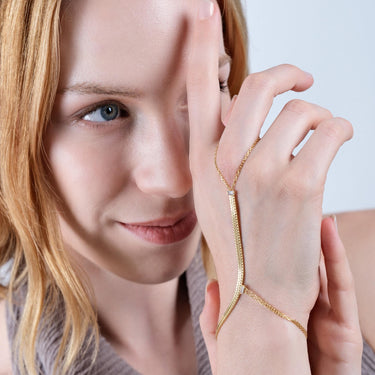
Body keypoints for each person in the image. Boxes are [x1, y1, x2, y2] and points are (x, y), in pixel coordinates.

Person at [0, 0, 368, 374]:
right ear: (13, 123)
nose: (177, 179)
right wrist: (263, 337)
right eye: (106, 110)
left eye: (205, 88)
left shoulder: (357, 275)